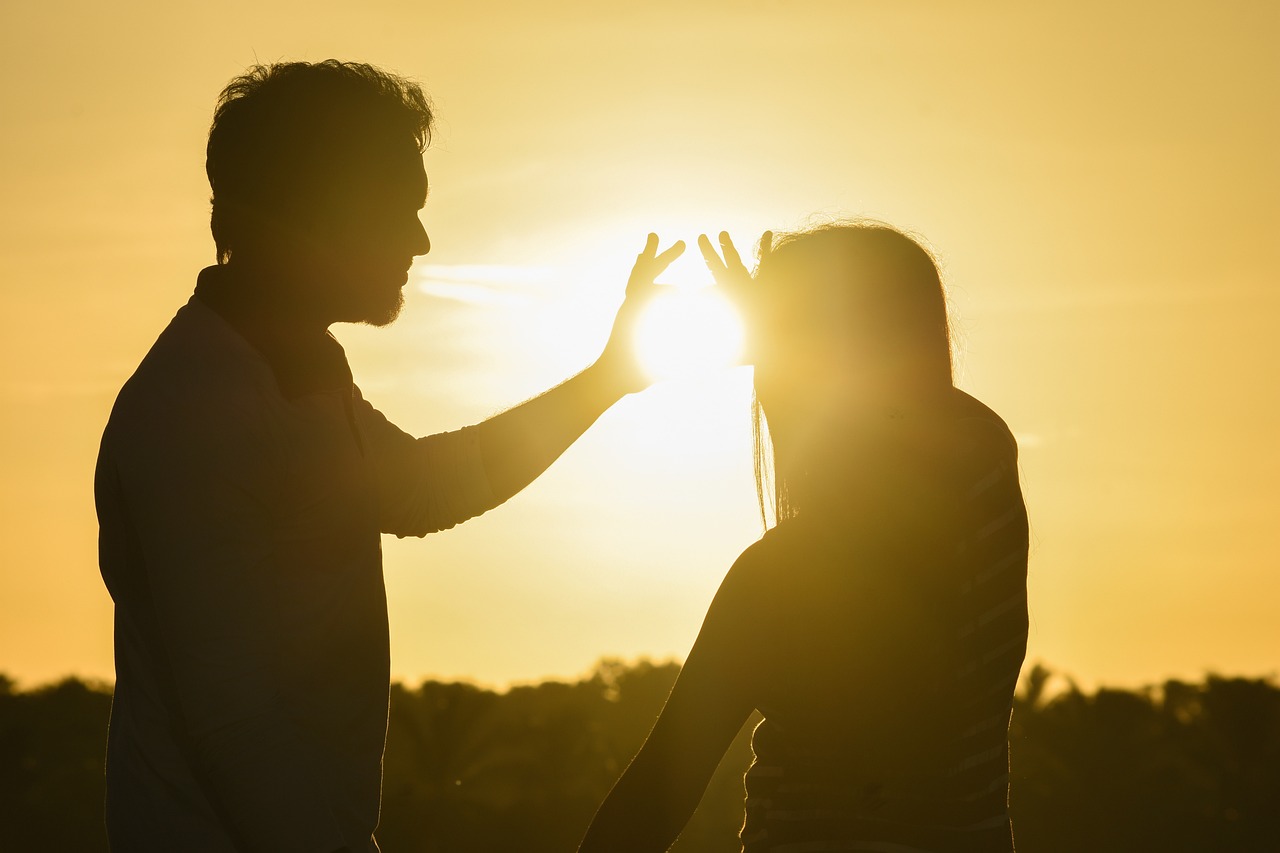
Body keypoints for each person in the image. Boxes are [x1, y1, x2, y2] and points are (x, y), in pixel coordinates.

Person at [94, 60, 683, 853]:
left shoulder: (295, 367)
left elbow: (429, 488)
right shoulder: (197, 404)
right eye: (398, 210)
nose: (420, 239)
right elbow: (233, 721)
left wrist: (609, 380)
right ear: (316, 208)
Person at [578, 224, 1030, 852]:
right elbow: (895, 439)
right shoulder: (982, 477)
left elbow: (656, 795)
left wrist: (781, 369)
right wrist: (791, 361)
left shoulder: (780, 581)